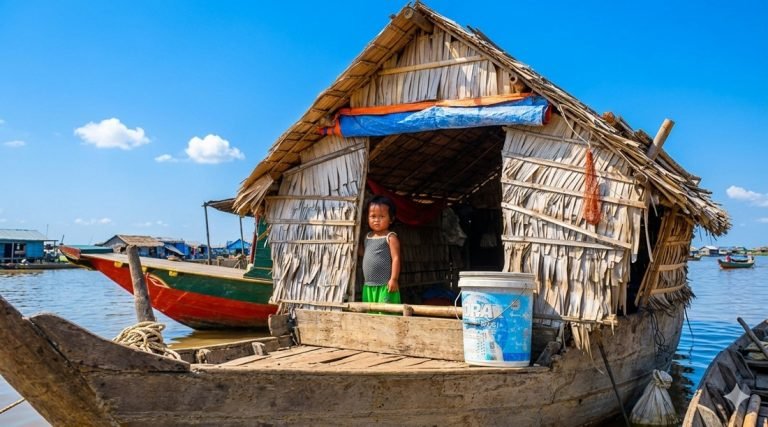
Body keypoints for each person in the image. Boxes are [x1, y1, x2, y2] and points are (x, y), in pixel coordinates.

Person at [362, 195, 401, 305]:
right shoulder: (368, 237)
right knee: (370, 313)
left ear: (391, 219)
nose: (376, 220)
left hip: (386, 285)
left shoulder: (390, 237)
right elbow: (366, 254)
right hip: (369, 285)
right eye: (373, 216)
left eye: (381, 216)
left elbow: (396, 258)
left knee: (386, 313)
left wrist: (394, 279)